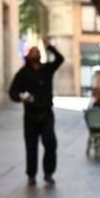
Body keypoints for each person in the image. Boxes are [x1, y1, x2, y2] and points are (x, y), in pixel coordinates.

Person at [9, 38, 64, 186]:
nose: (36, 53)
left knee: (50, 143)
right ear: (28, 55)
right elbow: (13, 91)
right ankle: (31, 175)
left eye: (38, 51)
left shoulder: (47, 69)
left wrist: (49, 47)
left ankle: (48, 173)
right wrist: (21, 97)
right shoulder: (23, 73)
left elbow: (60, 59)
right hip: (30, 115)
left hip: (46, 113)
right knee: (31, 147)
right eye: (33, 51)